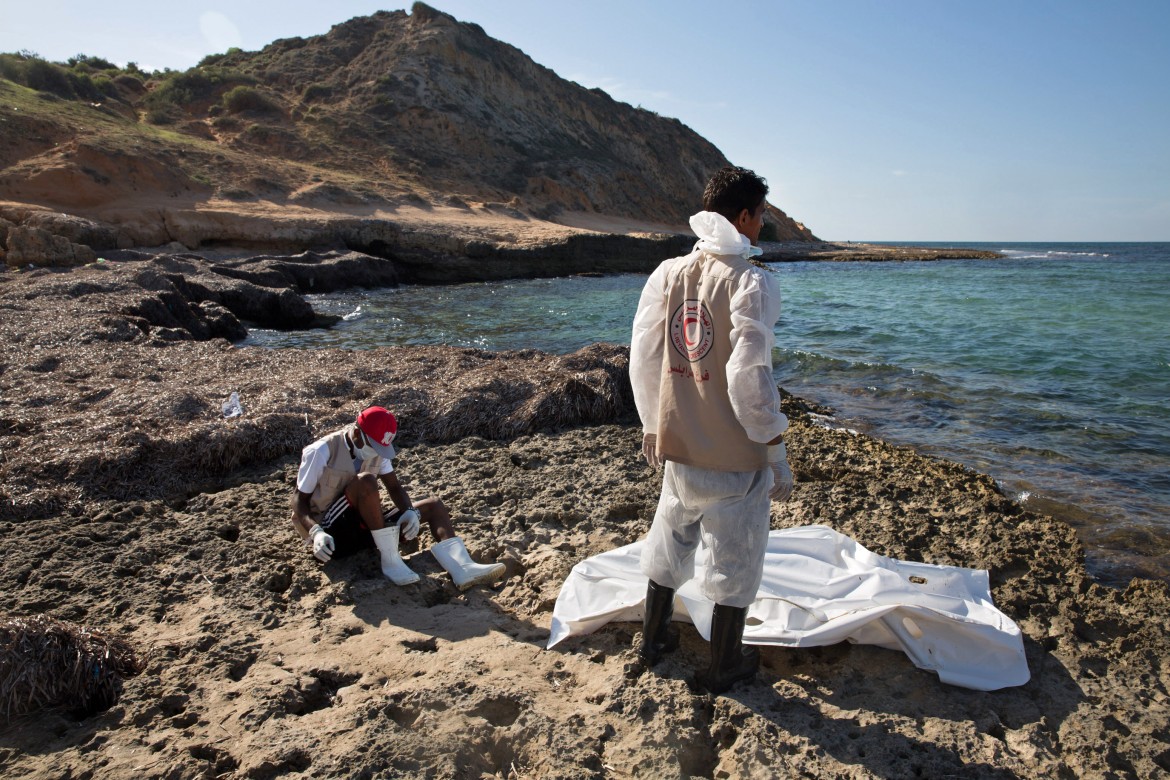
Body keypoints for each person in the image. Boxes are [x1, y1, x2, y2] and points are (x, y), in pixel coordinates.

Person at [629, 166, 794, 694]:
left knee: (670, 540)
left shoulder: (670, 272)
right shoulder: (751, 281)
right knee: (735, 558)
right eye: (761, 215)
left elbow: (645, 356)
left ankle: (653, 640)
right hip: (732, 456)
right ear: (744, 217)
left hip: (679, 447)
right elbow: (749, 379)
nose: (762, 226)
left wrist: (654, 423)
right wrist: (774, 447)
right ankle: (724, 664)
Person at [290, 405, 506, 591]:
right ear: (357, 432)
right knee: (366, 481)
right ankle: (391, 560)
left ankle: (463, 567)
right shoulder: (321, 451)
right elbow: (298, 501)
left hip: (368, 530)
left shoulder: (377, 451)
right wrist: (315, 532)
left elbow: (394, 487)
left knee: (433, 505)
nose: (376, 452)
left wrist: (410, 512)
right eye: (373, 446)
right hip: (331, 538)